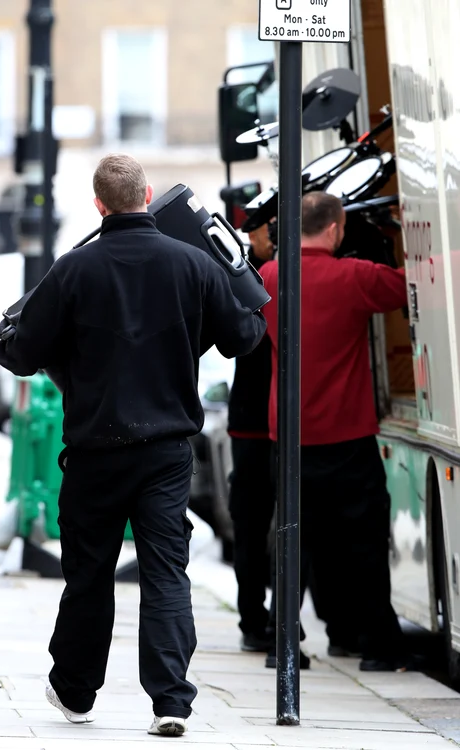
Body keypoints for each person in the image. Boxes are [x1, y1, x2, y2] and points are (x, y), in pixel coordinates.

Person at [0, 154, 267, 736]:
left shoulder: (74, 270)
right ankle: (171, 700)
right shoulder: (193, 263)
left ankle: (75, 691)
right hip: (167, 453)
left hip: (95, 450)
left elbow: (17, 354)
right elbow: (245, 336)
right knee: (167, 572)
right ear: (146, 194)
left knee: (88, 574)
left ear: (99, 204)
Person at [260, 191, 410, 672]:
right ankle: (378, 646)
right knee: (364, 545)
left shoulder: (269, 278)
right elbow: (414, 284)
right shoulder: (356, 277)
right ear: (333, 229)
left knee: (291, 541)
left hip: (289, 438)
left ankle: (281, 642)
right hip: (347, 438)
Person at [227, 223, 276, 653]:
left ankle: (254, 620)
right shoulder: (259, 275)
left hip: (250, 422)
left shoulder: (248, 277)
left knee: (251, 528)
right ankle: (273, 623)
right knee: (285, 527)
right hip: (273, 423)